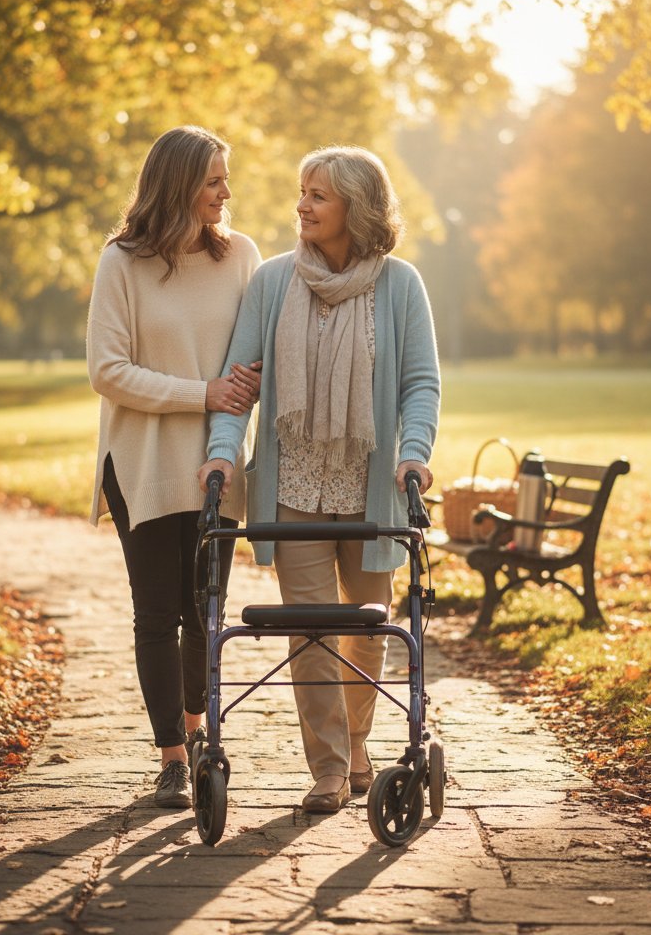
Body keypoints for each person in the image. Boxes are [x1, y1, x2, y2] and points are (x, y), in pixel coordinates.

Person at [198, 145, 440, 813]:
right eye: (302, 192)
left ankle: (357, 744)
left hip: (371, 489)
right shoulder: (273, 283)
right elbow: (239, 387)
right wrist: (223, 453)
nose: (301, 206)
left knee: (368, 629)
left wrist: (413, 452)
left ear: (356, 209)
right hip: (292, 490)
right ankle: (330, 769)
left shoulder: (401, 286)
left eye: (318, 195)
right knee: (309, 630)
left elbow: (420, 384)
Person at [87, 125, 262, 809]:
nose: (226, 192)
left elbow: (252, 361)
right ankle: (170, 756)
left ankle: (199, 731)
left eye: (226, 179)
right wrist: (202, 392)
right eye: (214, 180)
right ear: (178, 185)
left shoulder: (241, 256)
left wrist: (232, 400)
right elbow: (107, 370)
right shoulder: (121, 262)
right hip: (140, 462)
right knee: (157, 612)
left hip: (216, 464)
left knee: (206, 611)